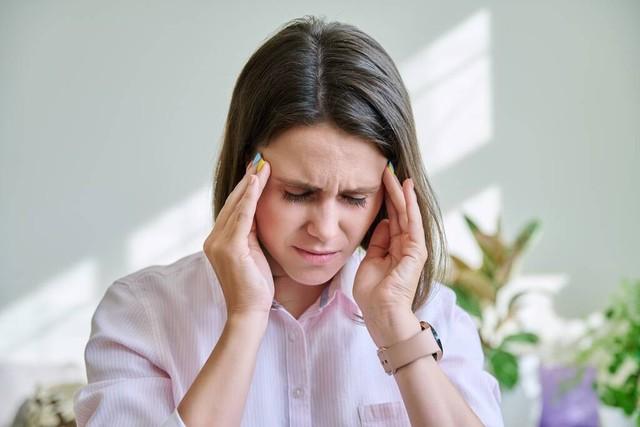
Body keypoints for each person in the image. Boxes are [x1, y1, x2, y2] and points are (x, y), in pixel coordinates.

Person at [73, 15, 503, 427]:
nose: (326, 228)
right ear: (248, 174)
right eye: (298, 193)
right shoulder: (141, 314)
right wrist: (244, 319)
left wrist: (395, 327)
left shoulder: (434, 315)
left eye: (355, 198)